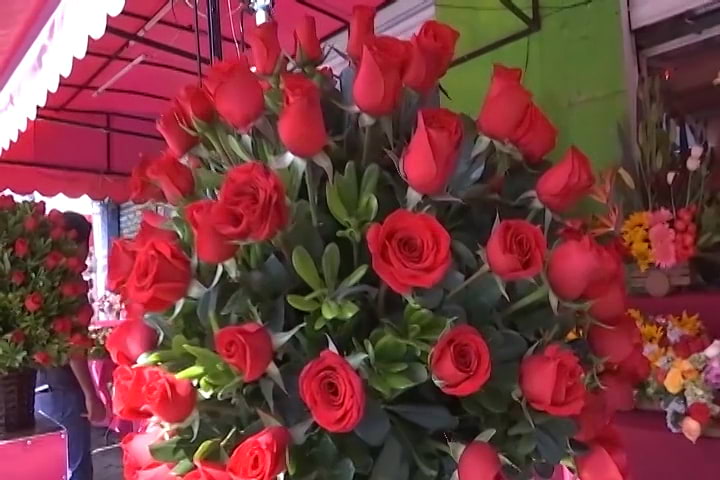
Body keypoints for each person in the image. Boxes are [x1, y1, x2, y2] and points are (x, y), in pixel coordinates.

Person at [36, 211, 106, 480]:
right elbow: (72, 344)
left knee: (51, 468)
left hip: (38, 388)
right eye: (85, 249)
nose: (86, 258)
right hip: (63, 388)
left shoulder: (39, 279)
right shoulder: (67, 284)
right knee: (75, 469)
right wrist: (90, 393)